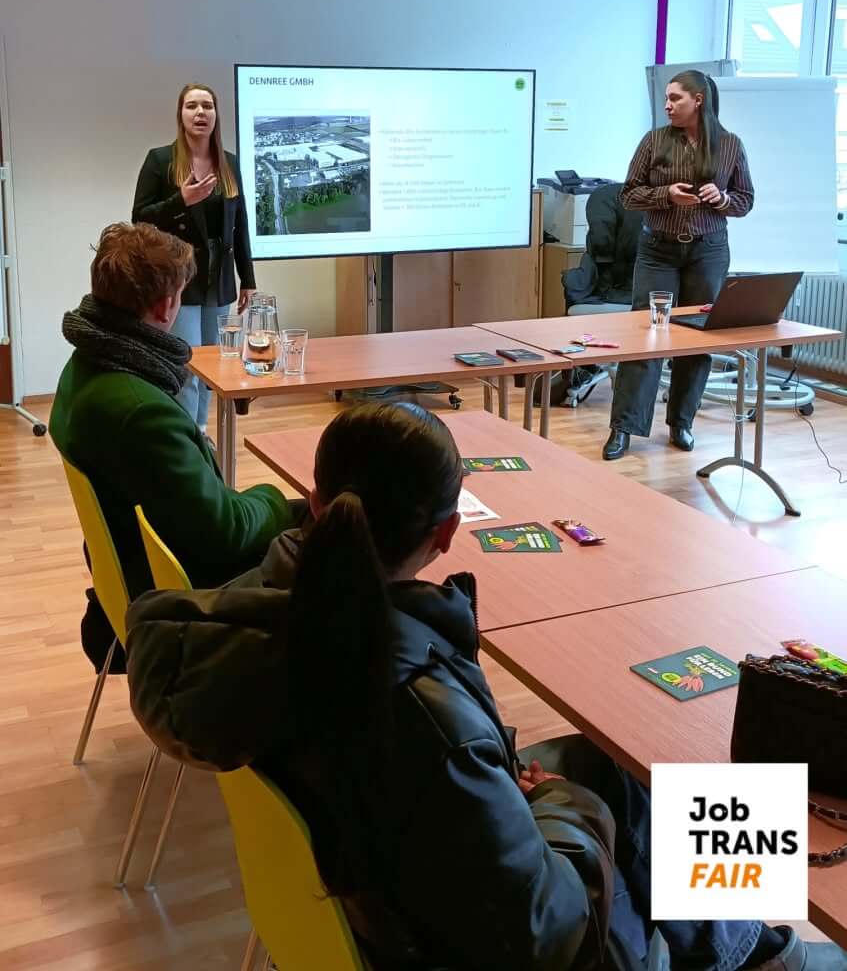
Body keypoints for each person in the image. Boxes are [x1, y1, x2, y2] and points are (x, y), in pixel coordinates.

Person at [124, 403, 841, 971]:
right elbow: (544, 933)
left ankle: (738, 941)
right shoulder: (424, 713)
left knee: (616, 772)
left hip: (384, 878)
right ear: (444, 534)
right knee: (622, 793)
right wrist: (561, 805)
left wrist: (533, 790)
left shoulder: (252, 612)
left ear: (314, 502)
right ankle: (750, 951)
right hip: (469, 940)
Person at [50, 222, 294, 672]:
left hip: (133, 577)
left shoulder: (82, 367)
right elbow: (227, 536)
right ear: (166, 306)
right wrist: (276, 499)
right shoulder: (141, 412)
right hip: (185, 604)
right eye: (182, 293)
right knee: (332, 532)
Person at [603, 70, 754, 461]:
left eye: (675, 98)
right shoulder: (654, 140)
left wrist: (720, 199)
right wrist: (666, 195)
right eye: (667, 98)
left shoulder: (731, 145)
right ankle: (624, 428)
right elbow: (629, 196)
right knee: (646, 336)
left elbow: (745, 201)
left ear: (699, 99)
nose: (667, 105)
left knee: (696, 339)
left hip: (709, 250)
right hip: (659, 250)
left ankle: (681, 423)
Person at [132, 82, 256, 431]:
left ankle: (200, 433)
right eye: (192, 106)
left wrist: (248, 279)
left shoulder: (228, 163)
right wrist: (180, 201)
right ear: (181, 115)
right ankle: (188, 436)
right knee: (186, 363)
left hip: (218, 277)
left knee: (213, 366)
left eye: (207, 106)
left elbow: (240, 227)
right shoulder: (161, 160)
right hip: (179, 277)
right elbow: (138, 217)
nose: (200, 113)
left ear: (216, 115)